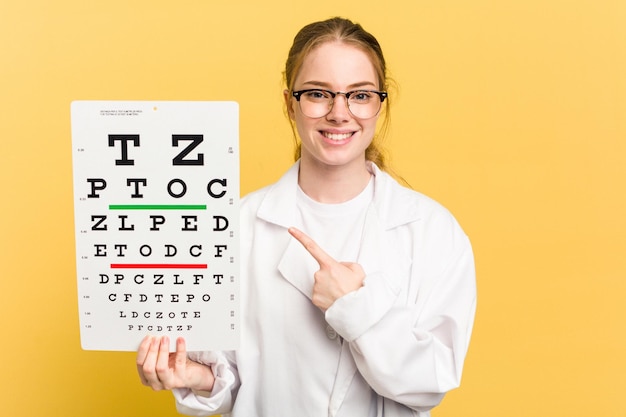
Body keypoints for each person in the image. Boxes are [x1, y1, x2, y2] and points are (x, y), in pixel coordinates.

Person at [136, 16, 476, 417]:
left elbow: (429, 384)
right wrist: (196, 377)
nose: (339, 113)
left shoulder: (432, 231)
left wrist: (354, 308)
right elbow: (236, 383)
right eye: (318, 93)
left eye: (360, 95)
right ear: (289, 103)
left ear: (380, 104)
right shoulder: (234, 228)